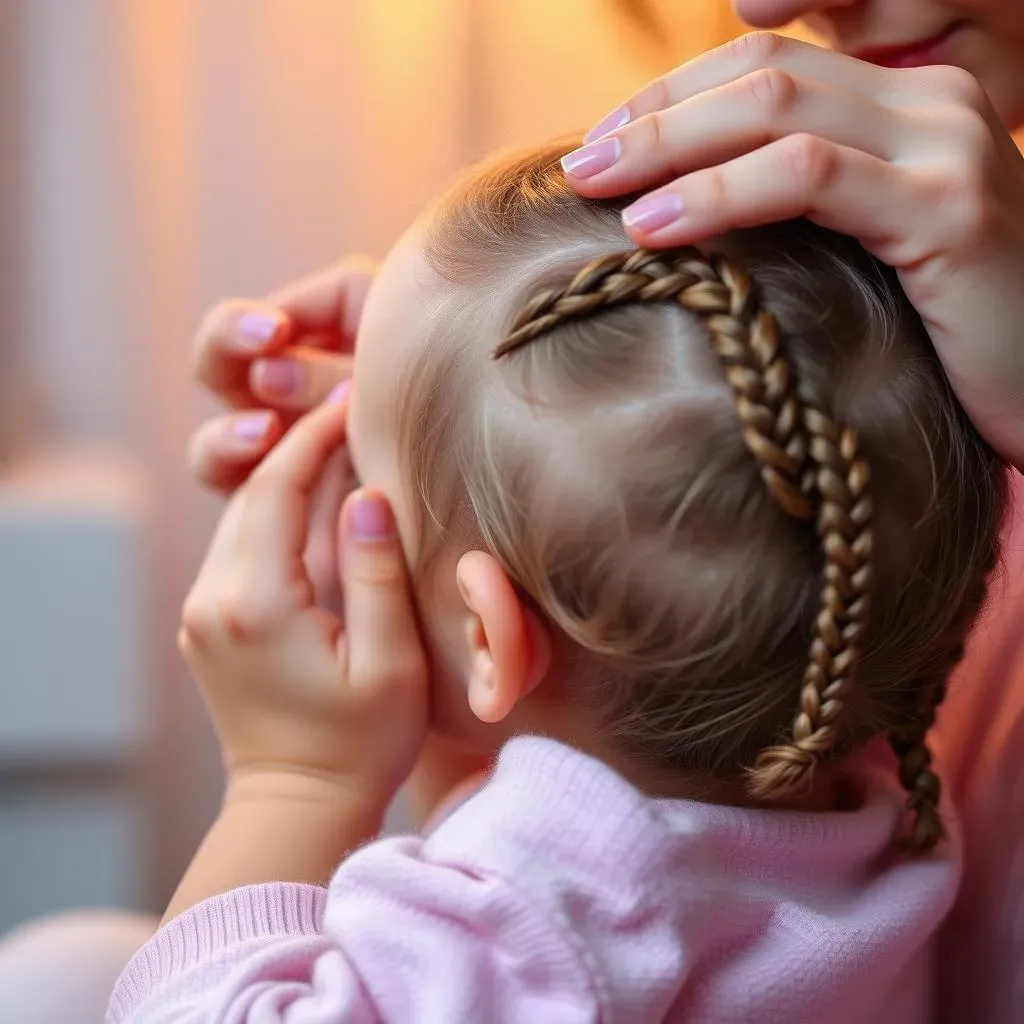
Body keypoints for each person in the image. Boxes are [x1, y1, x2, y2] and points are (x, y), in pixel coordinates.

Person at [185, 7, 1024, 1020]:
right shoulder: (878, 835)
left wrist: (294, 776)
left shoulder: (542, 916)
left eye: (361, 478)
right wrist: (450, 399)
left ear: (489, 633)